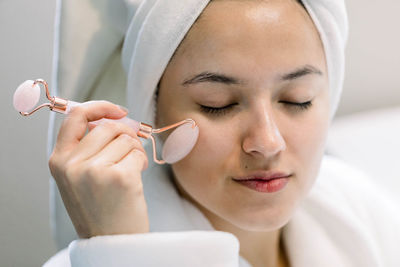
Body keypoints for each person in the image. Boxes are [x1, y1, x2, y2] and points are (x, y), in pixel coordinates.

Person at [44, 0, 400, 266]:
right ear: (150, 112)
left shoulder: (359, 208)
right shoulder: (102, 257)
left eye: (297, 99)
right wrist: (121, 251)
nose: (267, 142)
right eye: (218, 103)